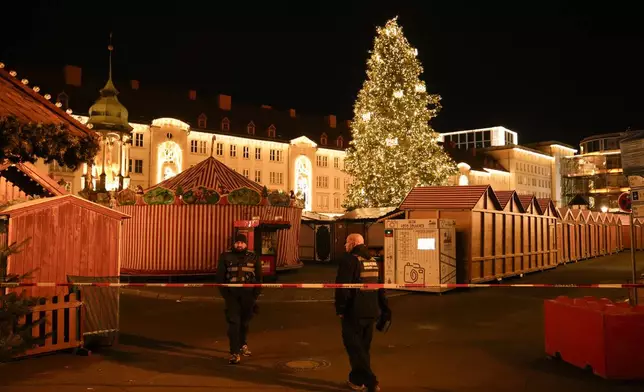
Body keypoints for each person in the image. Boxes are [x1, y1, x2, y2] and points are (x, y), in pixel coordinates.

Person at [335, 233, 390, 392]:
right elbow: (379, 287)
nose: (345, 246)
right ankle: (356, 380)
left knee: (354, 348)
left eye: (346, 243)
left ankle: (371, 381)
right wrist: (384, 309)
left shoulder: (349, 260)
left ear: (352, 244)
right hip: (371, 311)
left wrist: (341, 309)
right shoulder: (372, 261)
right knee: (362, 348)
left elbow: (342, 289)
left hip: (354, 311)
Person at [216, 233, 263, 364]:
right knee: (234, 323)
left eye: (242, 243)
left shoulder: (253, 257)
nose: (239, 245)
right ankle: (234, 352)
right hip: (232, 295)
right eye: (237, 243)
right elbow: (220, 278)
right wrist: (226, 295)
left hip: (248, 295)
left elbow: (259, 278)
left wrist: (255, 295)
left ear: (246, 244)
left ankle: (243, 344)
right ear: (233, 244)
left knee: (245, 322)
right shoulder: (225, 256)